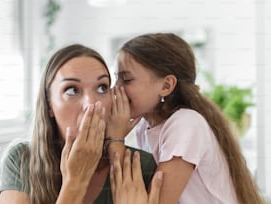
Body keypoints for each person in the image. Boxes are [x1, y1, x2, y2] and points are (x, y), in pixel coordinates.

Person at [0, 44, 160, 204]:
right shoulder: (22, 159)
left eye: (102, 88)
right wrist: (75, 182)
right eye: (72, 90)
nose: (91, 104)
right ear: (49, 105)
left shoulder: (139, 165)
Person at [111, 33, 264, 204]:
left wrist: (115, 137)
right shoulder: (143, 128)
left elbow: (153, 200)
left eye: (126, 79)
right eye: (116, 78)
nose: (116, 89)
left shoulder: (185, 124)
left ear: (166, 85)